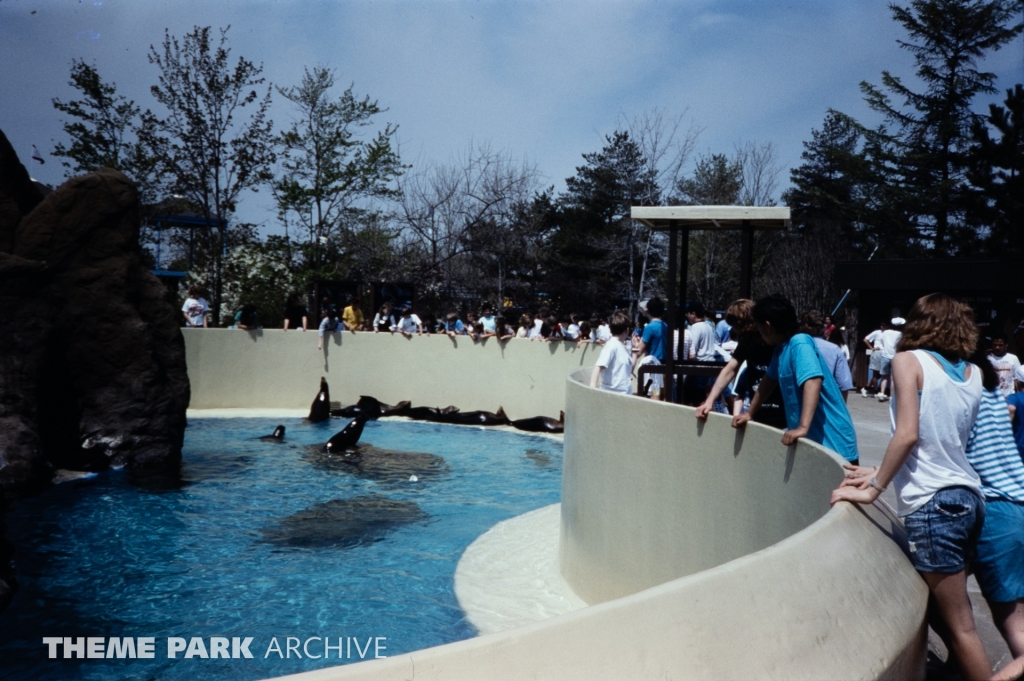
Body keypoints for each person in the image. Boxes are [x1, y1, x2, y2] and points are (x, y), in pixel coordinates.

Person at [832, 293, 991, 681]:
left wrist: (873, 488)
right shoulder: (973, 373)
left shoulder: (908, 361)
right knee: (942, 610)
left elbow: (907, 435)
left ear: (919, 323)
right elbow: (943, 441)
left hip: (935, 506)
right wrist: (877, 468)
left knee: (961, 626)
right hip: (969, 499)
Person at [733, 294, 858, 463]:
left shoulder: (799, 343)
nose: (759, 332)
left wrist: (803, 427)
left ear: (768, 326)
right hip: (812, 445)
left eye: (759, 326)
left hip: (833, 444)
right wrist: (749, 413)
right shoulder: (781, 348)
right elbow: (768, 381)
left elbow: (813, 381)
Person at [962, 349, 1024, 679]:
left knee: (1015, 627)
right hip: (1015, 505)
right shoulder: (993, 396)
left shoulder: (965, 397)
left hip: (998, 512)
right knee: (947, 601)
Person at [696, 299, 787, 429]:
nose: (735, 330)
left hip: (783, 411)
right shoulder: (747, 342)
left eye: (736, 326)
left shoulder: (776, 342)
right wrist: (709, 401)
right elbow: (730, 369)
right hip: (759, 411)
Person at [799, 310, 854, 402]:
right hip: (827, 405)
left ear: (805, 326)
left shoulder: (792, 348)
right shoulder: (834, 349)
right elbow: (843, 385)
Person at [589, 310, 633, 394]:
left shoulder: (623, 347)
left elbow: (628, 370)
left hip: (625, 395)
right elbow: (598, 367)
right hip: (612, 396)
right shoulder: (611, 346)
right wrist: (592, 392)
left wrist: (634, 351)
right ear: (627, 330)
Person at [876, 317, 905, 402]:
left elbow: (881, 342)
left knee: (884, 377)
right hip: (895, 356)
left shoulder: (885, 333)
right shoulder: (900, 334)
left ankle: (881, 393)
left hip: (885, 355)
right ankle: (891, 396)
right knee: (893, 378)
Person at [637, 297, 668, 362]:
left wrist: (635, 343)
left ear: (648, 310)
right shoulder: (665, 326)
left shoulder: (649, 327)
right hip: (665, 363)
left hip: (653, 364)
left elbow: (639, 352)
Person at [861, 321, 886, 397]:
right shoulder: (877, 332)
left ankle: (866, 387)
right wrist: (871, 348)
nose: (882, 327)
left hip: (884, 353)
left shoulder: (888, 333)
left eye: (884, 325)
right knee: (876, 374)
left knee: (882, 374)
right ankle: (876, 391)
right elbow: (865, 339)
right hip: (877, 352)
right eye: (881, 325)